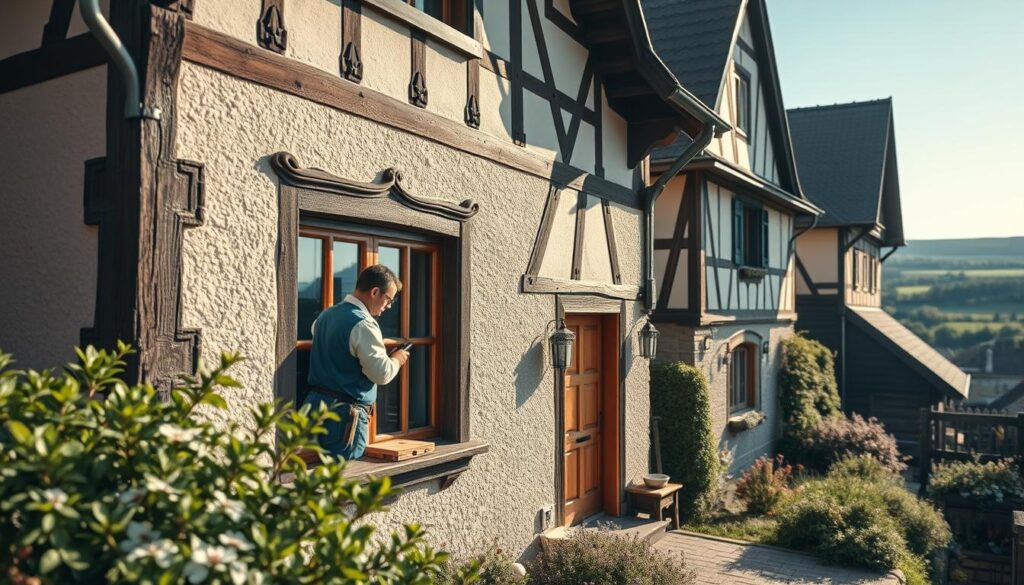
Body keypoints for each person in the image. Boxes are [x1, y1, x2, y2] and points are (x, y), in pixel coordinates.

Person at [304, 264, 409, 459]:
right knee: (341, 477)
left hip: (314, 407)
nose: (389, 306)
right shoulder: (364, 324)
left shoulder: (325, 315)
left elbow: (321, 337)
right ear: (375, 292)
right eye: (389, 299)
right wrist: (396, 359)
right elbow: (381, 374)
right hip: (344, 418)